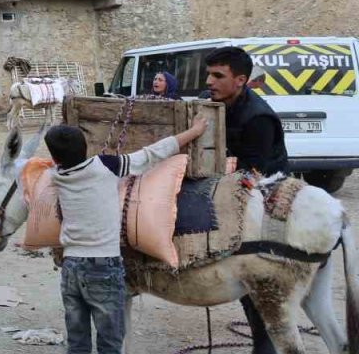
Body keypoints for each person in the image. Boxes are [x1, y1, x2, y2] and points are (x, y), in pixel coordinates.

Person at [44, 117, 207, 354]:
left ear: (55, 159)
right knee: (110, 342)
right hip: (103, 266)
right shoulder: (104, 166)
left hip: (71, 267)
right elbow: (151, 154)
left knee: (77, 342)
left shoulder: (55, 175)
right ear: (86, 147)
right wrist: (194, 131)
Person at [203, 46, 287, 353]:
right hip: (230, 186)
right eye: (208, 75)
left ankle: (266, 345)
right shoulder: (211, 102)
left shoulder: (259, 117)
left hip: (265, 196)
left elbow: (253, 173)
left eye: (218, 76)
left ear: (240, 80)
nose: (209, 82)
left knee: (258, 277)